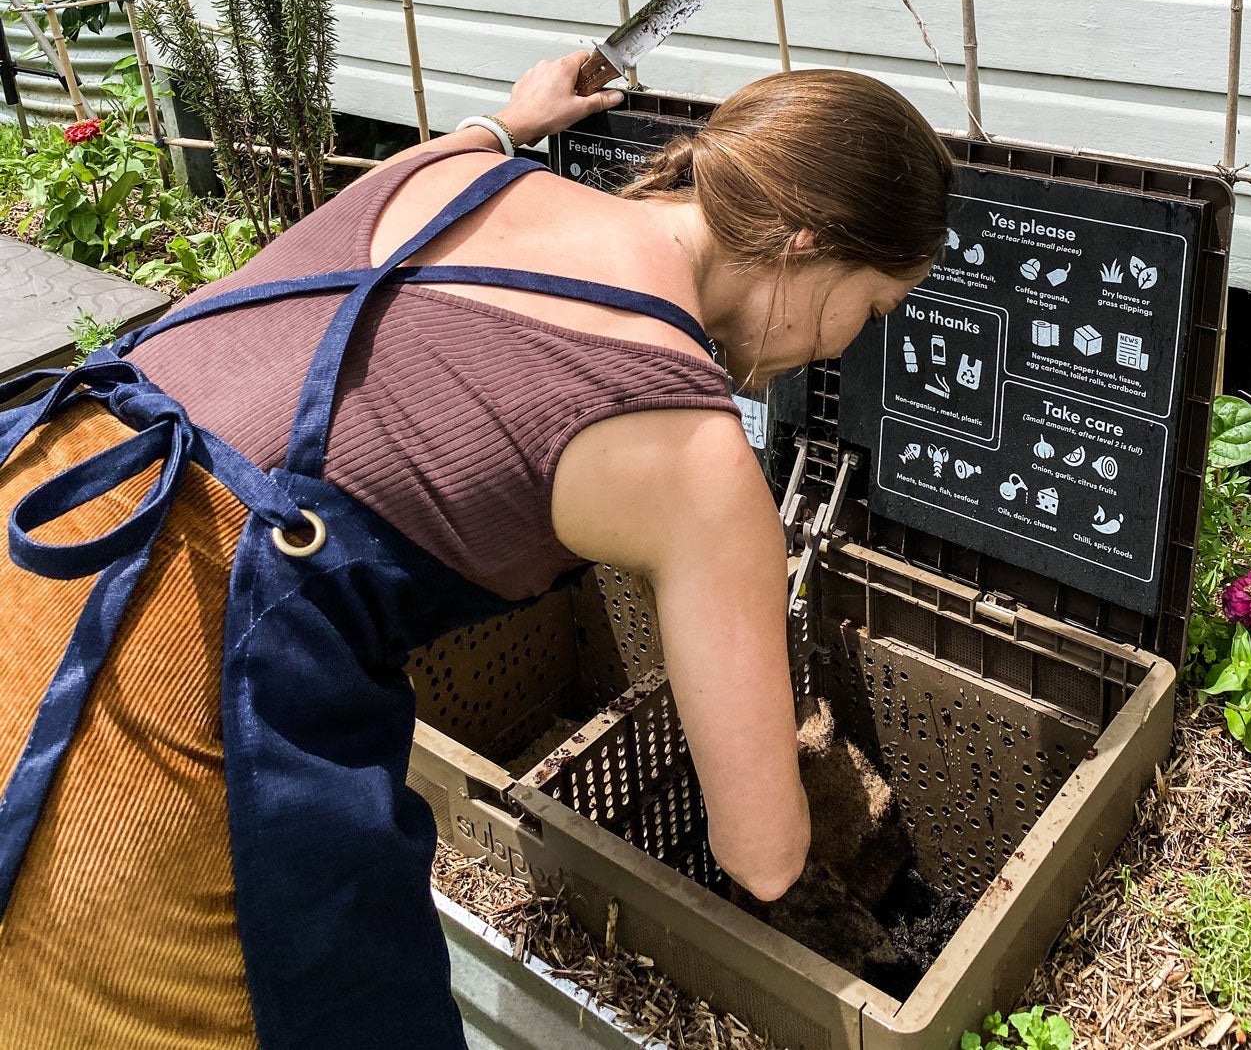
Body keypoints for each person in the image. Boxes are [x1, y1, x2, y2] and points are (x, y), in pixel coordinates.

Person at [0, 52, 952, 1050]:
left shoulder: (454, 171)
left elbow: (468, 148)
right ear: (806, 243)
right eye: (872, 305)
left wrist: (513, 117)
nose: (847, 343)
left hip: (51, 497)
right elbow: (761, 856)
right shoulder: (690, 451)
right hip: (162, 688)